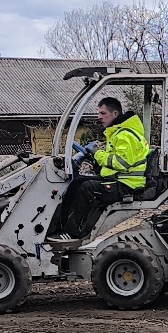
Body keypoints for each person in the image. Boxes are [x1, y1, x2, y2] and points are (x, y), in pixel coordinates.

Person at [54, 94, 150, 241]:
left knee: (87, 188)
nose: (99, 117)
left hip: (127, 184)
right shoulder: (119, 133)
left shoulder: (125, 135)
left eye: (103, 113)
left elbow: (121, 163)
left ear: (115, 114)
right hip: (120, 179)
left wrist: (97, 154)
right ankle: (61, 226)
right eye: (99, 113)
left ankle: (73, 232)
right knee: (77, 182)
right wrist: (95, 158)